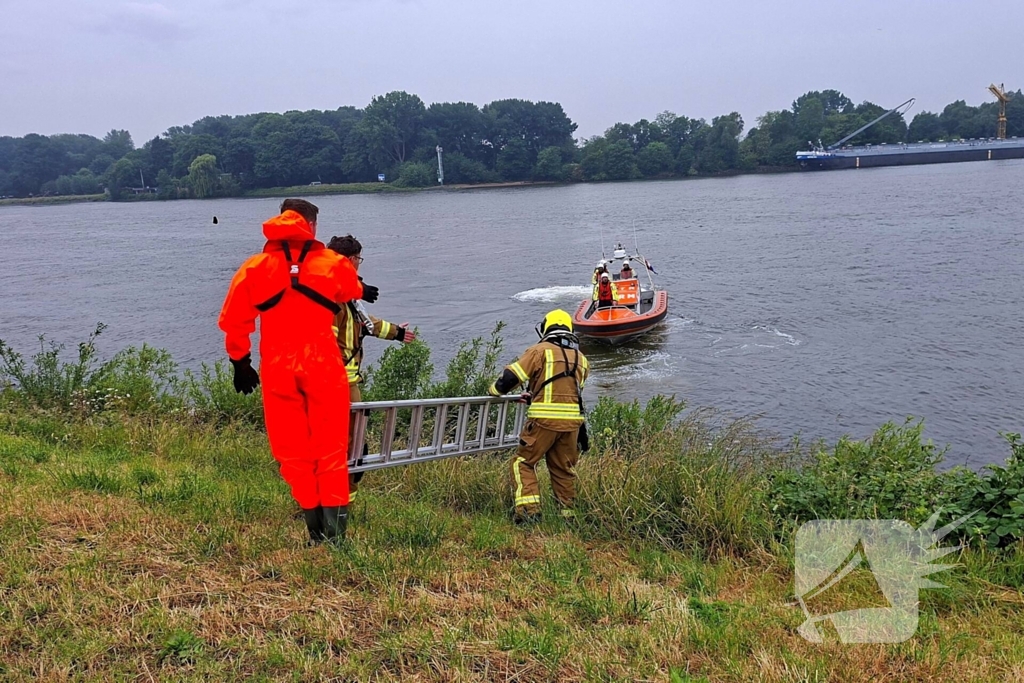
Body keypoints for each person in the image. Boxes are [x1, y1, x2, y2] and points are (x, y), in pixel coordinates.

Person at [218, 199, 379, 545]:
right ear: (312, 226)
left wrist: (240, 362)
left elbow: (234, 320)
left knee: (292, 450)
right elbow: (351, 288)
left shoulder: (254, 267)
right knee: (332, 448)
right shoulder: (332, 263)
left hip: (277, 366)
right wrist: (362, 288)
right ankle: (336, 534)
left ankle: (314, 531)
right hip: (323, 364)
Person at [327, 234, 417, 501]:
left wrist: (398, 334)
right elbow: (326, 339)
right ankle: (340, 503)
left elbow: (367, 323)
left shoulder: (343, 295)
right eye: (358, 260)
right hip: (340, 382)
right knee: (353, 445)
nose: (359, 266)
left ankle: (333, 501)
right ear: (351, 260)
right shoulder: (334, 297)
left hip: (341, 381)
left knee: (347, 444)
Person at [488, 309, 590, 524]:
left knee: (523, 463)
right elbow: (568, 391)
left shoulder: (540, 351)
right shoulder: (581, 359)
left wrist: (493, 392)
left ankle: (529, 513)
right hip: (572, 426)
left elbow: (510, 378)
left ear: (545, 328)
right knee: (564, 470)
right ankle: (568, 517)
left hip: (543, 422)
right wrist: (535, 395)